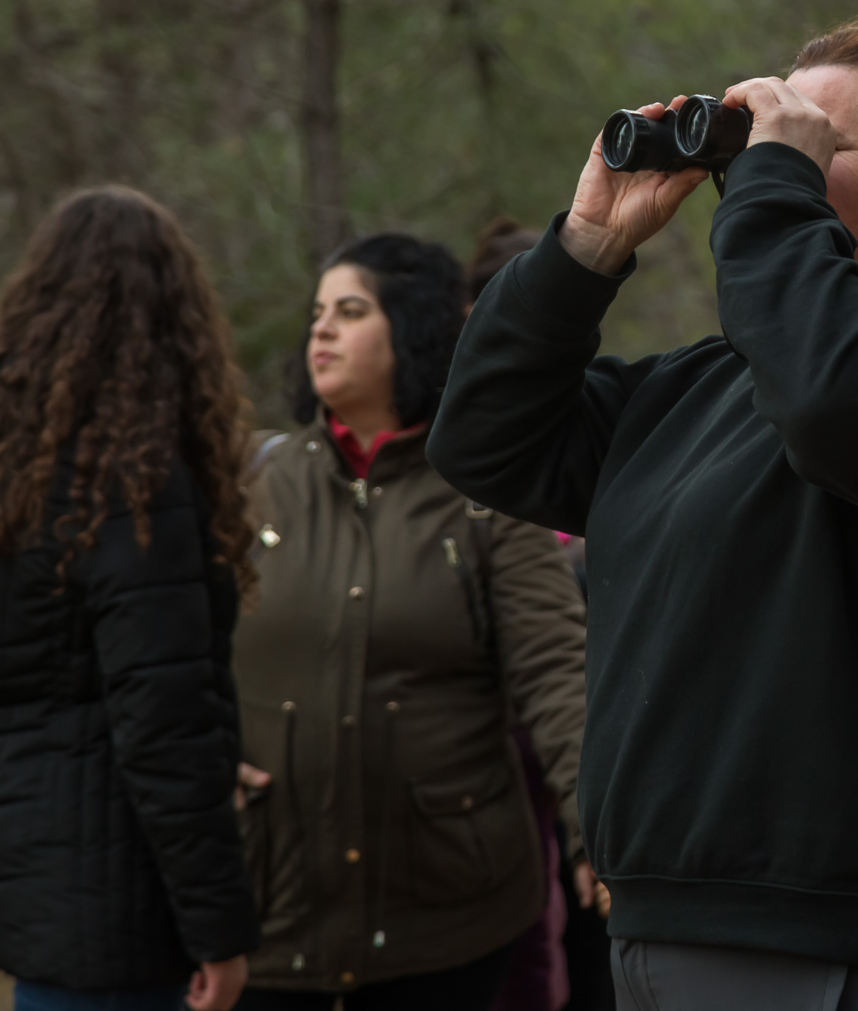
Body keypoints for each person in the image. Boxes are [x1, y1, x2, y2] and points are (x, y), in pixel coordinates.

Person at [428, 16, 858, 1010]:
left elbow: (836, 396)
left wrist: (769, 196)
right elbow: (484, 433)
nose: (768, 166)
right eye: (764, 145)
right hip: (678, 937)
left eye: (814, 142)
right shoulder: (697, 392)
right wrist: (589, 243)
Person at [231, 232, 593, 1011]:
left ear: (418, 328)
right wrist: (200, 762)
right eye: (317, 313)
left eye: (350, 311)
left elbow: (556, 674)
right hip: (268, 917)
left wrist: (600, 830)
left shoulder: (489, 491)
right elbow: (175, 660)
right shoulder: (251, 485)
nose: (319, 330)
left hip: (450, 924)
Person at [0, 187, 260, 1011]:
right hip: (120, 904)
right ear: (172, 323)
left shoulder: (7, 480)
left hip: (36, 878)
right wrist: (220, 931)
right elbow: (160, 726)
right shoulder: (136, 491)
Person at [466, 217, 615, 1011]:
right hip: (496, 783)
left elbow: (563, 667)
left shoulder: (591, 426)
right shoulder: (468, 454)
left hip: (580, 757)